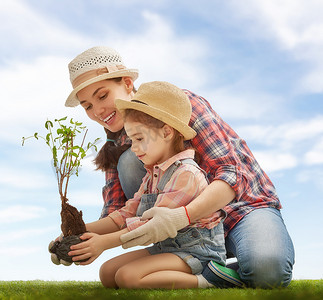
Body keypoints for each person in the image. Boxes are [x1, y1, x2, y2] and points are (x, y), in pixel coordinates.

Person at [50, 46, 294, 288]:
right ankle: (212, 268)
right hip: (177, 235)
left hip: (241, 209)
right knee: (128, 162)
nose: (98, 110)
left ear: (126, 83)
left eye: (102, 96)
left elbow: (231, 174)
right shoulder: (119, 144)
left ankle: (212, 274)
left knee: (267, 271)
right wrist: (78, 238)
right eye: (88, 106)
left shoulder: (179, 106)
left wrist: (180, 216)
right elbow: (121, 211)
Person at [70, 80, 230, 289]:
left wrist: (104, 243)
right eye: (131, 140)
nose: (134, 148)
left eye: (138, 138)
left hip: (196, 251)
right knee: (108, 274)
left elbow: (149, 226)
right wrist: (77, 233)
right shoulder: (153, 173)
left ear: (166, 132)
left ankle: (209, 281)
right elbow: (127, 213)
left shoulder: (186, 174)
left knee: (128, 277)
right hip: (167, 246)